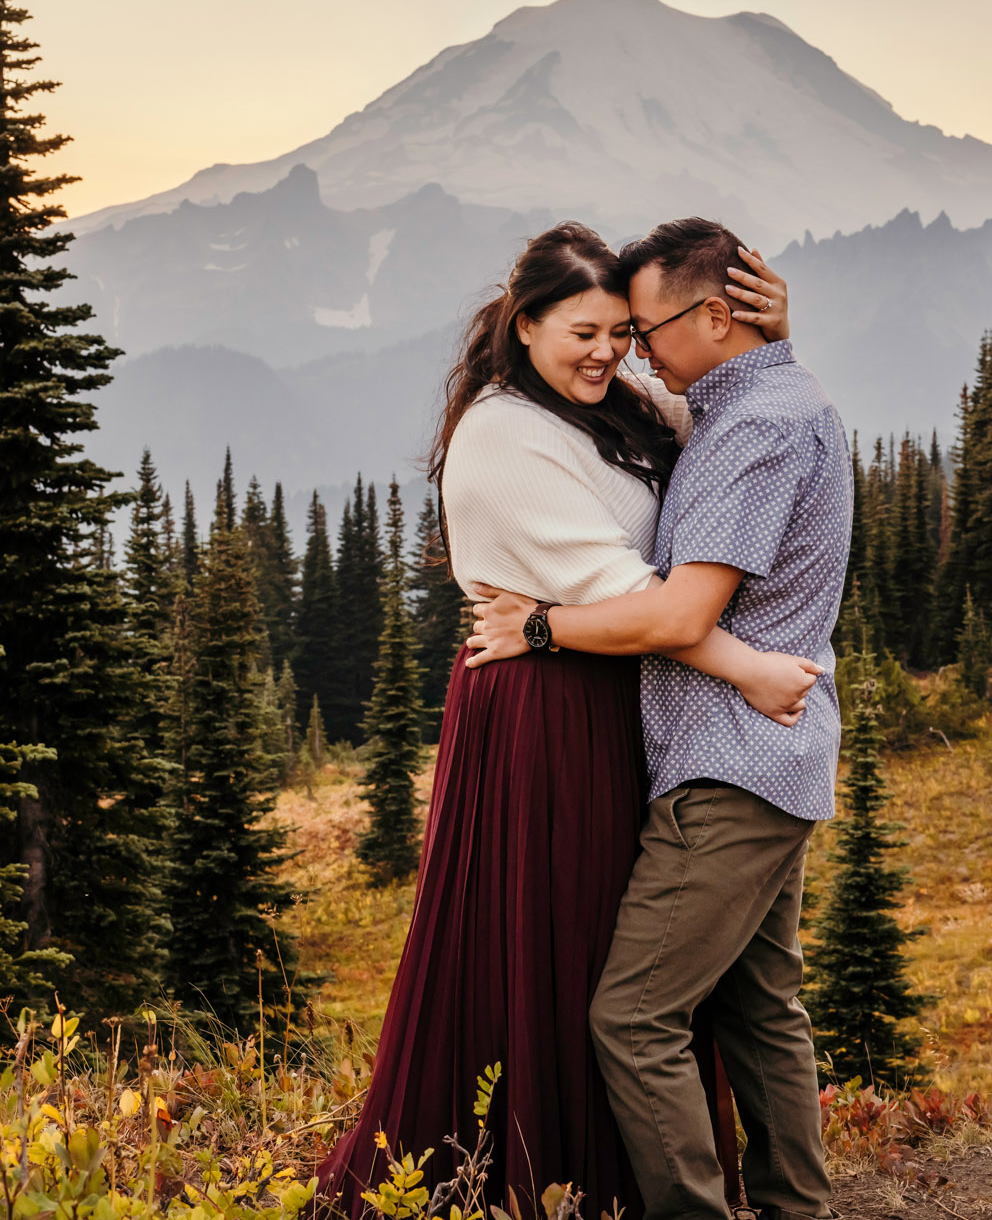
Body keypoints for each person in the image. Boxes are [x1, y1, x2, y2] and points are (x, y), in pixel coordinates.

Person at [316, 221, 820, 1220]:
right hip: (540, 703)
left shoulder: (602, 408)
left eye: (621, 334)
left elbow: (716, 440)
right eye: (581, 331)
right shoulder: (503, 429)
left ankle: (612, 1176)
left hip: (605, 686)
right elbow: (630, 586)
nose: (605, 352)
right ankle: (531, 1173)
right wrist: (750, 669)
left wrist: (770, 337)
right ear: (526, 322)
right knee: (554, 950)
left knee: (608, 955)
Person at [466, 217, 852, 1220]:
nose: (632, 351)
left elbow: (680, 612)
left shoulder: (751, 426)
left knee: (633, 1015)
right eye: (606, 333)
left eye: (642, 329)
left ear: (712, 316)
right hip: (762, 757)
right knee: (757, 1007)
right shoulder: (751, 400)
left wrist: (543, 626)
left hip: (726, 762)